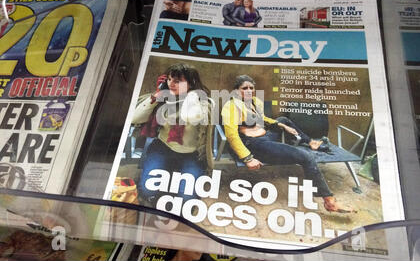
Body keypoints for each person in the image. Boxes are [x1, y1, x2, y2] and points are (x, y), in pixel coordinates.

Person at [221, 75, 353, 213]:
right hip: (253, 144)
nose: (248, 91)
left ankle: (310, 142)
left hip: (265, 136)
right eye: (244, 88)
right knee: (306, 157)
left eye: (251, 88)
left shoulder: (254, 102)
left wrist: (281, 125)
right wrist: (248, 158)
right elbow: (232, 135)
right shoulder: (230, 106)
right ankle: (329, 201)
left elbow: (263, 119)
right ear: (236, 91)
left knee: (284, 119)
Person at [132, 63, 211, 206]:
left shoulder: (203, 102)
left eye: (177, 81)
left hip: (191, 154)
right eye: (169, 79)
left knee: (187, 199)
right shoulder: (162, 97)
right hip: (163, 147)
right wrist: (154, 98)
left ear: (191, 83)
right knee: (147, 190)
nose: (171, 84)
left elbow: (192, 117)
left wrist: (191, 97)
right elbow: (134, 119)